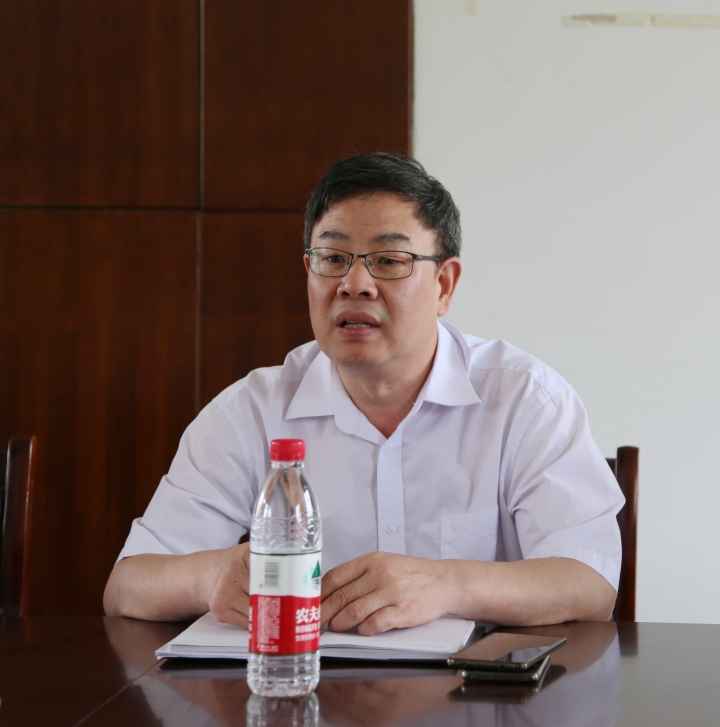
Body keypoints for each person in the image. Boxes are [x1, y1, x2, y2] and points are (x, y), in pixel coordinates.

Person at [104, 154, 623, 634]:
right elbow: (128, 586)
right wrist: (209, 576)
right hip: (305, 686)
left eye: (389, 260)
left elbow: (589, 583)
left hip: (472, 689)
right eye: (332, 257)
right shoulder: (251, 411)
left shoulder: (526, 401)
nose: (354, 284)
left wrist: (447, 584)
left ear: (444, 285)